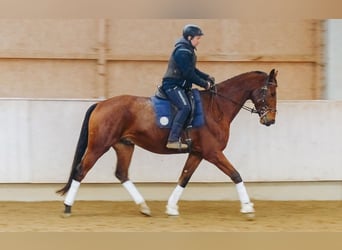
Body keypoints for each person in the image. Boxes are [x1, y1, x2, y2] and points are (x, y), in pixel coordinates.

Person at [161, 24, 215, 150]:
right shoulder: (182, 51)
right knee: (185, 107)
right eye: (198, 38)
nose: (199, 41)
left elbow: (192, 70)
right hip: (172, 85)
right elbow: (188, 73)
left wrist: (207, 77)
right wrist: (204, 84)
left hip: (181, 86)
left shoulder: (187, 49)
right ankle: (173, 139)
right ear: (189, 37)